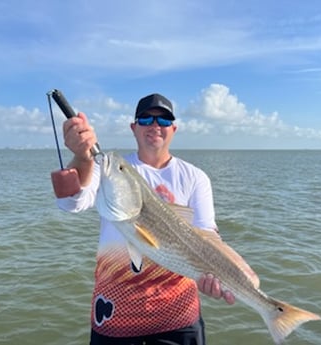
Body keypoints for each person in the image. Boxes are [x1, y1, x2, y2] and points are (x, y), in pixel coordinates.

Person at [56, 93, 235, 345]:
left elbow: (208, 236)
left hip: (179, 317)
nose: (154, 126)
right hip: (115, 315)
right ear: (133, 127)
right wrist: (82, 158)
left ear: (174, 128)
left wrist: (231, 274)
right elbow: (70, 203)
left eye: (163, 121)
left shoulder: (195, 177)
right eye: (145, 119)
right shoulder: (109, 170)